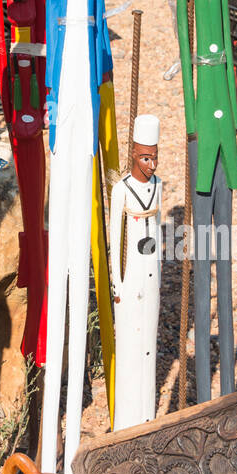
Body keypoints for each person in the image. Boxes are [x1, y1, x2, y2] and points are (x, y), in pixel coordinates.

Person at [40, 0, 112, 474]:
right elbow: (53, 0)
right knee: (62, 208)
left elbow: (98, 1)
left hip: (87, 64)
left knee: (87, 185)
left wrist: (103, 67)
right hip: (62, 64)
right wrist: (50, 90)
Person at [175, 0, 237, 403]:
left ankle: (233, 380)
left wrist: (231, 100)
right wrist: (193, 104)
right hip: (202, 78)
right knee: (202, 242)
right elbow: (187, 14)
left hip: (221, 74)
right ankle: (201, 390)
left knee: (225, 238)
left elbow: (221, 2)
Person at [0, 0, 47, 366]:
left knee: (37, 173)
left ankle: (38, 264)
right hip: (12, 73)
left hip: (35, 73)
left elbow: (42, 9)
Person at [109, 115, 163, 431]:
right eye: (146, 157)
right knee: (130, 344)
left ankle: (148, 417)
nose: (152, 164)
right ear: (134, 155)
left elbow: (157, 229)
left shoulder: (158, 186)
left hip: (151, 272)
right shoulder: (122, 190)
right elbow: (114, 238)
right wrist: (119, 281)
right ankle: (127, 422)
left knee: (149, 349)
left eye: (155, 157)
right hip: (130, 277)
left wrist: (158, 273)